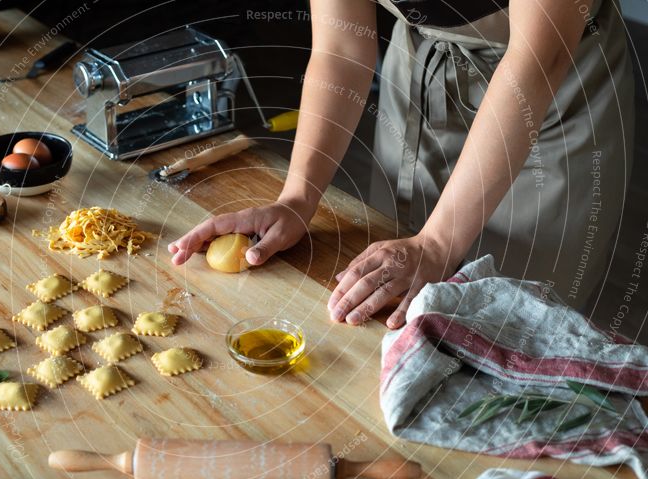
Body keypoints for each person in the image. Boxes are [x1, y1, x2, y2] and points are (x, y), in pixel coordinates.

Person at [168, 0, 634, 329]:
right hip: (422, 70)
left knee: (508, 327)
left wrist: (436, 243)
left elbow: (539, 57)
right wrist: (297, 197)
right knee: (390, 302)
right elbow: (341, 47)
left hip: (548, 100)